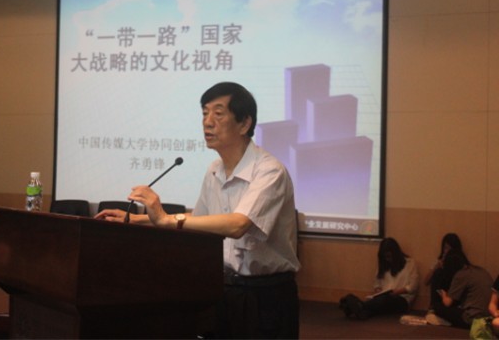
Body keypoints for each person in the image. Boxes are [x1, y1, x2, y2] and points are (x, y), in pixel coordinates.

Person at [95, 82, 300, 339]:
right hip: (220, 289)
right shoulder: (214, 170)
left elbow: (238, 224)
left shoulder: (269, 171)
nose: (207, 122)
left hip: (265, 296)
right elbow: (201, 219)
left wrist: (166, 220)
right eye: (204, 113)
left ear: (244, 123)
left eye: (218, 113)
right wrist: (137, 219)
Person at [339, 237, 419, 320]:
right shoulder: (383, 264)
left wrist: (397, 292)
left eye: (389, 256)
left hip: (402, 299)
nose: (388, 259)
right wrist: (378, 291)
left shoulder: (410, 263)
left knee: (385, 300)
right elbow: (376, 283)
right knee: (380, 303)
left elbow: (413, 286)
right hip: (383, 297)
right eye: (386, 257)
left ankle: (359, 305)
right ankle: (362, 312)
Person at [432, 249, 493, 328]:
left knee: (437, 307)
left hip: (473, 318)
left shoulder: (461, 274)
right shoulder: (480, 270)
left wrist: (443, 293)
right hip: (489, 316)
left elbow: (447, 303)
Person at [423, 233, 464, 310]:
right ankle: (434, 306)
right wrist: (436, 267)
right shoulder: (439, 261)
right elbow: (426, 281)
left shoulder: (460, 262)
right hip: (441, 293)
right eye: (445, 248)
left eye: (450, 249)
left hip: (453, 294)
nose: (447, 251)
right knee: (438, 273)